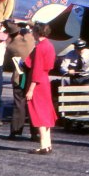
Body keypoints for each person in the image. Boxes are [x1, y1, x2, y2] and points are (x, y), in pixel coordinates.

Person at [25, 22, 57, 154]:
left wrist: (31, 89)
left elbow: (37, 70)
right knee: (45, 112)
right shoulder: (49, 45)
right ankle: (47, 144)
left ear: (37, 33)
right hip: (45, 81)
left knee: (39, 113)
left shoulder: (40, 48)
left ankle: (44, 145)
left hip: (38, 82)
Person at [4, 20, 37, 141]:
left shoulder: (10, 45)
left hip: (19, 75)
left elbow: (7, 62)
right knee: (33, 104)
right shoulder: (29, 38)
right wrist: (24, 23)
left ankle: (16, 132)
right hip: (32, 75)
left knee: (19, 104)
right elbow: (36, 26)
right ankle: (35, 133)